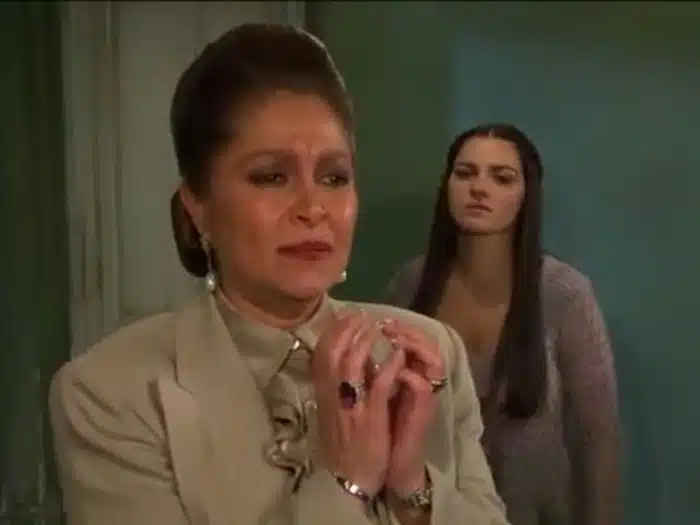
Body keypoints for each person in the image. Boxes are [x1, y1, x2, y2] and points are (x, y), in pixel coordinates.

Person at [49, 24, 508, 525]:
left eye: (334, 177)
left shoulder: (429, 356)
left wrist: (412, 489)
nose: (313, 208)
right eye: (271, 176)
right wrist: (344, 481)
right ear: (198, 207)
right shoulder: (109, 393)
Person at [385, 123, 621, 525]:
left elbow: (598, 439)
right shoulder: (411, 286)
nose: (479, 188)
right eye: (465, 173)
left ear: (526, 194)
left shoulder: (564, 295)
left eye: (502, 177)